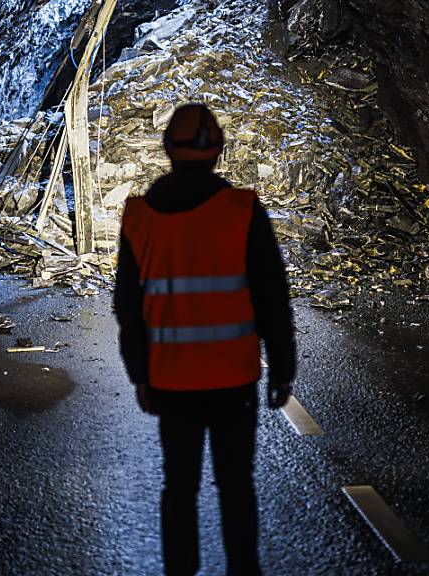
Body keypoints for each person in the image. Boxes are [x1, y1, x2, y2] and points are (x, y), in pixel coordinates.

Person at [114, 103, 297, 576]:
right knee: (235, 486)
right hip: (233, 379)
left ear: (167, 149)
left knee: (180, 487)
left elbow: (127, 307)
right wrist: (282, 370)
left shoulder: (140, 217)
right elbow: (272, 296)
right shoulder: (242, 211)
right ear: (217, 150)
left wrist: (140, 374)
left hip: (172, 382)